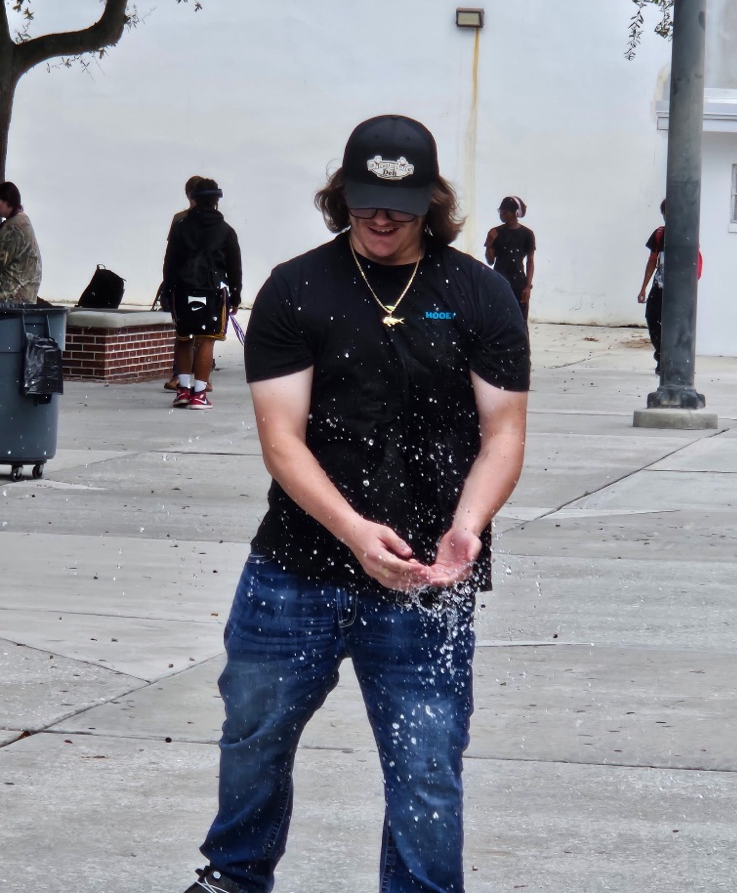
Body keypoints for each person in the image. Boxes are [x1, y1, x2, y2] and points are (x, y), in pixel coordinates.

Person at [181, 115, 529, 893]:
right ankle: (234, 877)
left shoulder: (480, 294)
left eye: (399, 204)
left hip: (429, 578)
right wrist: (353, 532)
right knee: (254, 736)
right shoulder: (296, 288)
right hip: (294, 571)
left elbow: (504, 433)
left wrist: (466, 528)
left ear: (430, 202)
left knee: (427, 758)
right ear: (342, 195)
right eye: (366, 199)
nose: (380, 217)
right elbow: (282, 438)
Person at [162, 178, 242, 410]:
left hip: (182, 289)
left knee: (183, 338)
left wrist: (168, 290)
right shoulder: (226, 231)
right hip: (213, 290)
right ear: (217, 200)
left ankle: (183, 391)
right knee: (207, 340)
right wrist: (235, 297)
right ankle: (199, 393)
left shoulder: (181, 227)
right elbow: (234, 268)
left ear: (193, 199)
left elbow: (170, 263)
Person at [163, 175, 208, 393]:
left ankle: (184, 378)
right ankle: (198, 379)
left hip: (186, 282)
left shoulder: (181, 219)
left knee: (186, 335)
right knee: (199, 334)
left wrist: (168, 283)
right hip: (202, 283)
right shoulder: (183, 219)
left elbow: (171, 254)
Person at [484, 195, 535, 323]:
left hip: (519, 285)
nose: (501, 214)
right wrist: (490, 243)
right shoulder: (495, 232)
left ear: (515, 213)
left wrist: (528, 287)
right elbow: (490, 261)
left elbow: (530, 262)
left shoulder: (527, 234)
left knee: (520, 322)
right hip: (499, 284)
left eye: (505, 211)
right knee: (499, 322)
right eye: (500, 211)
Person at [0, 181, 42, 303]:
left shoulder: (13, 227)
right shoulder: (22, 220)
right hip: (26, 290)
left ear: (8, 202)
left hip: (14, 293)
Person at [638, 199, 666, 374]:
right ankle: (661, 356)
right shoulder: (660, 234)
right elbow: (652, 260)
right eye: (665, 212)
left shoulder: (687, 232)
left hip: (678, 290)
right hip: (660, 285)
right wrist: (643, 288)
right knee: (652, 318)